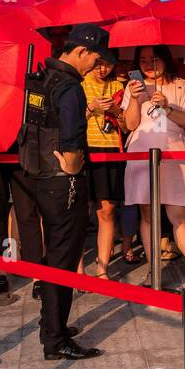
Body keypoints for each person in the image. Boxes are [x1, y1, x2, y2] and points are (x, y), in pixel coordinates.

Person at [14, 22, 112, 360]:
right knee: (62, 261)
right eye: (96, 59)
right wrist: (73, 164)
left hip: (37, 175)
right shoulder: (70, 86)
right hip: (62, 180)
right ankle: (55, 341)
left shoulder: (42, 77)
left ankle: (52, 326)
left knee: (53, 258)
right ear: (81, 51)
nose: (98, 66)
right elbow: (71, 135)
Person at [121, 45, 185, 288]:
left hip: (174, 154)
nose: (149, 65)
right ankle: (154, 272)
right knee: (148, 215)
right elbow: (129, 124)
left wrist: (167, 107)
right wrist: (135, 98)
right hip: (141, 156)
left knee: (180, 216)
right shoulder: (133, 87)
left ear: (166, 59)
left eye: (155, 59)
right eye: (144, 60)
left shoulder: (180, 84)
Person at [81, 51, 126, 280]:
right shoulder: (79, 84)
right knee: (81, 211)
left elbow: (127, 125)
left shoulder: (119, 85)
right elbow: (70, 120)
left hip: (110, 150)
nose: (102, 69)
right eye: (98, 64)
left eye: (108, 65)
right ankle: (78, 270)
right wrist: (91, 108)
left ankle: (102, 269)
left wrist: (116, 111)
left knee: (107, 210)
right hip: (85, 150)